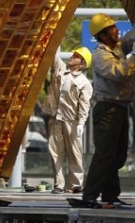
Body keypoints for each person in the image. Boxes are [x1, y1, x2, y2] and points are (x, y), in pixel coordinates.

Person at [69, 12, 135, 209]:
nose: (116, 30)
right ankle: (89, 196)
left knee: (117, 154)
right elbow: (120, 73)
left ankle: (110, 196)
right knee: (105, 154)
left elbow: (133, 34)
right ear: (102, 36)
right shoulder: (100, 55)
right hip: (107, 109)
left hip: (119, 107)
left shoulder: (118, 47)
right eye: (111, 29)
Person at [43, 46, 93, 194]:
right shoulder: (61, 71)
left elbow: (84, 105)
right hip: (56, 118)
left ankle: (75, 184)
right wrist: (56, 41)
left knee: (75, 153)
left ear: (82, 64)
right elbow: (55, 57)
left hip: (72, 121)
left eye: (76, 56)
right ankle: (59, 184)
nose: (72, 56)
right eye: (74, 54)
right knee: (55, 152)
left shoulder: (85, 83)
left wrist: (81, 123)